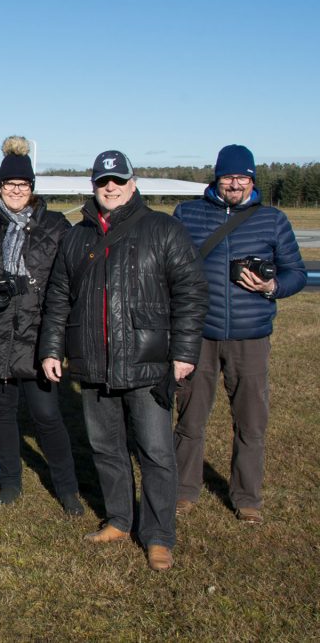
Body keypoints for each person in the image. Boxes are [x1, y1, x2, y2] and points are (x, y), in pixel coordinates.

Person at [39, 150, 209, 571]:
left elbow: (190, 293)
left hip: (148, 362)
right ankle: (119, 519)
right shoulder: (77, 237)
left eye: (118, 180)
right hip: (92, 361)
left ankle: (158, 535)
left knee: (155, 451)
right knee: (104, 447)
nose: (110, 188)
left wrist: (185, 353)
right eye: (102, 182)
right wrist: (51, 347)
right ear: (93, 187)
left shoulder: (163, 228)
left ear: (133, 183)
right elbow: (59, 297)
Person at [173, 144, 306, 524]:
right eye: (229, 176)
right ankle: (184, 491)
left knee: (250, 421)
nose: (235, 183)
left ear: (252, 180)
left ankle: (247, 497)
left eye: (243, 177)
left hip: (251, 336)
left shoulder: (272, 220)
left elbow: (296, 272)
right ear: (216, 177)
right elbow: (172, 265)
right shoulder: (189, 214)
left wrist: (271, 288)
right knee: (190, 417)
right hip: (200, 333)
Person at [0, 137, 82, 514]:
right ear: (0, 187)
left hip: (37, 334)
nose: (15, 192)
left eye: (22, 185)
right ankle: (9, 482)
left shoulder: (55, 227)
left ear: (32, 188)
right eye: (9, 185)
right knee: (2, 414)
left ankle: (68, 488)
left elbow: (70, 279)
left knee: (46, 415)